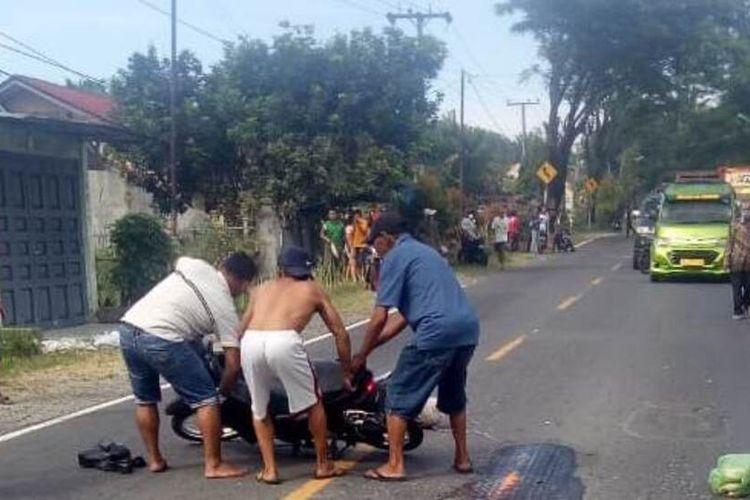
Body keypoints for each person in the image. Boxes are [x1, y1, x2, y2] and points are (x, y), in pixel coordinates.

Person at [352, 213, 480, 482]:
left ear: (387, 238)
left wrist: (361, 356)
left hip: (436, 333)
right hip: (466, 331)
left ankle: (395, 465)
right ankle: (462, 457)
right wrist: (369, 347)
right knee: (454, 394)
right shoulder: (426, 253)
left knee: (397, 392)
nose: (375, 250)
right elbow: (402, 319)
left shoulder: (395, 258)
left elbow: (380, 316)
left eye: (375, 243)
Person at [118, 253, 257, 478]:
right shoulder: (224, 308)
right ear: (243, 283)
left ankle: (155, 460)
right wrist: (223, 393)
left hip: (129, 328)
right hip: (162, 337)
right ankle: (214, 465)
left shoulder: (197, 266)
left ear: (222, 266)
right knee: (206, 400)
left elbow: (179, 260)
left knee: (144, 399)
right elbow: (232, 365)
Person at [238, 246, 353, 485]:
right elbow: (340, 333)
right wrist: (346, 370)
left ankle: (270, 470)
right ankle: (323, 465)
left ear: (281, 269)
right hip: (284, 341)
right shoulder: (313, 289)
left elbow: (240, 329)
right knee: (313, 403)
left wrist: (233, 358)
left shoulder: (259, 289)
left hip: (251, 340)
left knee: (259, 409)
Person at [727, 205, 750, 319]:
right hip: (736, 261)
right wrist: (726, 260)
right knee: (736, 287)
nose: (746, 213)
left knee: (748, 287)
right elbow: (729, 243)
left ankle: (745, 303)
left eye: (748, 210)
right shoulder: (735, 225)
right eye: (745, 210)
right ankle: (737, 311)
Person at [352, 209, 370, 276]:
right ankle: (357, 276)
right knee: (355, 260)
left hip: (362, 244)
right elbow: (354, 232)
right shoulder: (355, 223)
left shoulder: (364, 221)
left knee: (362, 261)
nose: (355, 216)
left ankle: (363, 275)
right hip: (355, 243)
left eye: (357, 215)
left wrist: (358, 221)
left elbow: (364, 230)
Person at [344, 213, 357, 281]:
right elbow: (349, 239)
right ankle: (354, 278)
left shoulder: (349, 227)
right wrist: (351, 248)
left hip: (350, 245)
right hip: (350, 246)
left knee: (350, 262)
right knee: (353, 262)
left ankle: (346, 277)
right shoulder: (350, 228)